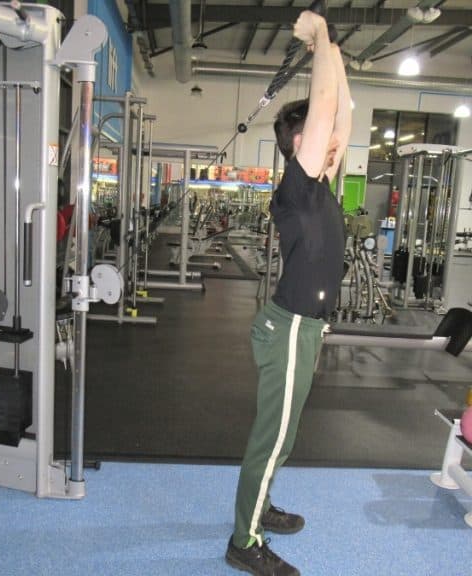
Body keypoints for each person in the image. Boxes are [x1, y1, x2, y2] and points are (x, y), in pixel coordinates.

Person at [225, 9, 351, 576]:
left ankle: (262, 505)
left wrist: (331, 44)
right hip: (291, 328)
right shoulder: (296, 192)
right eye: (319, 137)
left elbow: (339, 112)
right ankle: (243, 541)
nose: (333, 142)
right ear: (299, 142)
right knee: (271, 438)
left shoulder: (323, 188)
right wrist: (320, 37)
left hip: (309, 328)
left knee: (286, 433)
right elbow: (325, 111)